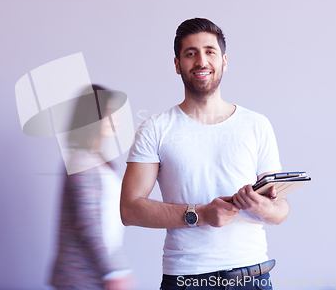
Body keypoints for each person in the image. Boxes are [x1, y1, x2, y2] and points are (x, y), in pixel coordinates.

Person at [120, 18, 289, 290]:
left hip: (253, 278)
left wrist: (264, 207)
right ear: (177, 64)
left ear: (224, 60)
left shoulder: (257, 124)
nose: (201, 61)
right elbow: (129, 210)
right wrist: (200, 214)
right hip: (187, 280)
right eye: (191, 53)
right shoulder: (155, 128)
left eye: (209, 52)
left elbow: (280, 211)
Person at [50, 85, 134, 290]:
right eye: (110, 112)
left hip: (96, 272)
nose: (117, 119)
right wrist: (114, 271)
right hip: (82, 276)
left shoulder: (95, 161)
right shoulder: (81, 162)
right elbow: (90, 223)